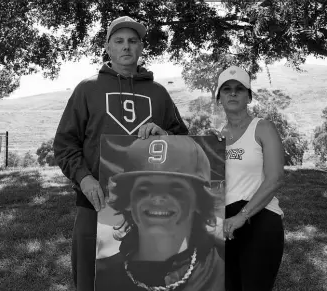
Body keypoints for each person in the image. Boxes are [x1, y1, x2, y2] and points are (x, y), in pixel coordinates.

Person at [53, 16, 188, 291]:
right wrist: (84, 179)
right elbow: (65, 144)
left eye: (133, 41)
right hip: (96, 202)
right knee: (91, 279)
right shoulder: (87, 89)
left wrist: (166, 137)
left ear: (141, 48)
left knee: (145, 279)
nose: (126, 47)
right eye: (119, 41)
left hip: (148, 205)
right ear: (107, 47)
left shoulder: (159, 93)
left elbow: (184, 140)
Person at [95, 135, 225, 291]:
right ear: (129, 200)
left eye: (176, 188)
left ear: (198, 200)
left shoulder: (223, 267)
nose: (157, 198)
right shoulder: (105, 277)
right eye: (144, 188)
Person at [211, 65, 285, 291]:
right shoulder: (217, 138)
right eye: (226, 89)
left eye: (239, 89)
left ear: (249, 97)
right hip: (225, 225)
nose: (232, 93)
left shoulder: (263, 128)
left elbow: (275, 178)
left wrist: (243, 215)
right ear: (219, 98)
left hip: (260, 219)